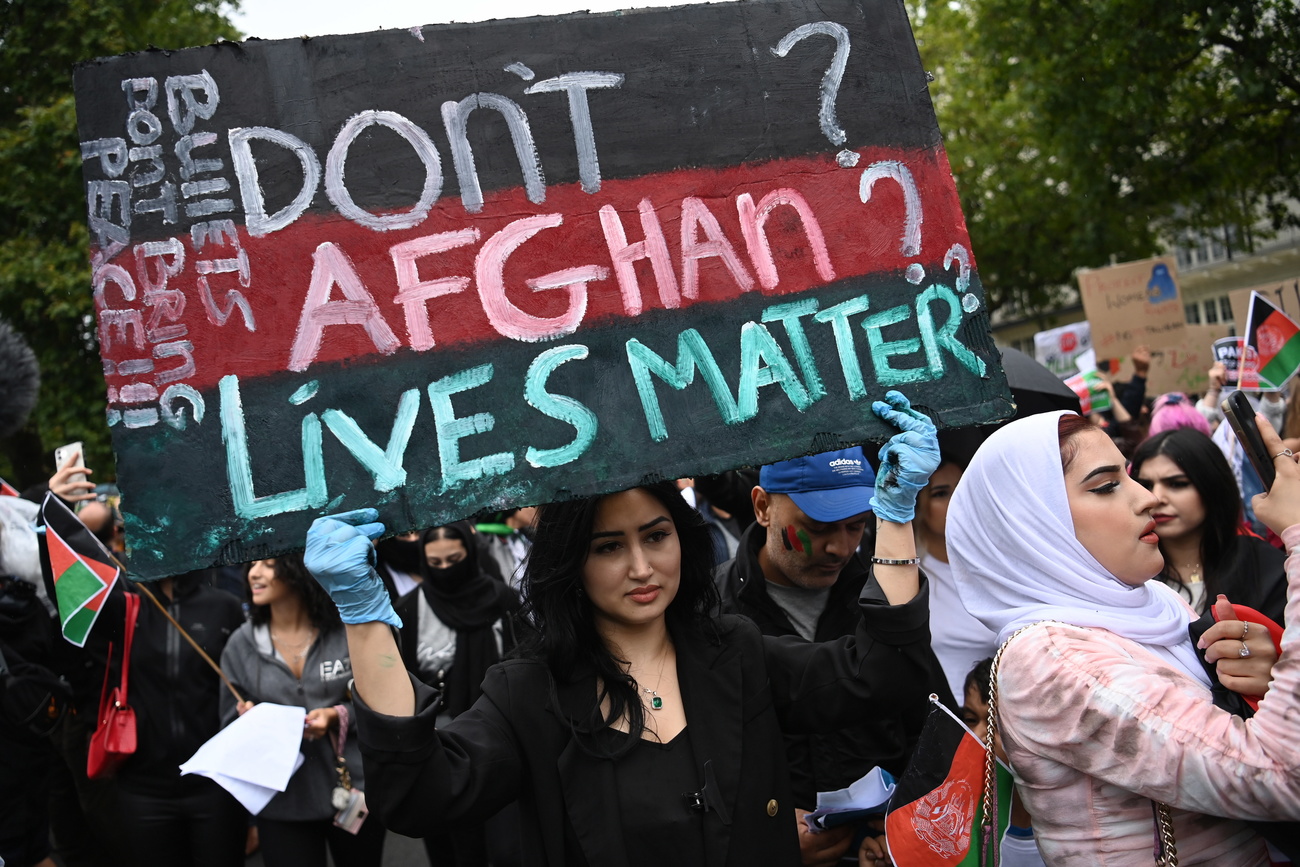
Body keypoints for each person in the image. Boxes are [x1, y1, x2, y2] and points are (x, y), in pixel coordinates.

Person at [304, 391, 942, 866]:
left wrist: (892, 517)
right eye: (609, 546)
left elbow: (880, 674)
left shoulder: (737, 652)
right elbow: (420, 794)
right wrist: (362, 615)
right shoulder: (528, 693)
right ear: (569, 564)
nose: (641, 567)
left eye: (656, 536)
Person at [946, 409, 1300, 864]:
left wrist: (1264, 678)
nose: (1147, 498)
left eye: (1127, 477)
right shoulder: (1053, 660)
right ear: (1032, 523)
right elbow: (1280, 777)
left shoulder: (1155, 604)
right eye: (1106, 486)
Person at [715, 446, 949, 866]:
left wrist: (906, 824)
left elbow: (935, 728)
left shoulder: (883, 602)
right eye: (818, 526)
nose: (840, 548)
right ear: (763, 506)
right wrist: (762, 830)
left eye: (856, 526)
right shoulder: (712, 612)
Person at [219, 554, 385, 867]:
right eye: (251, 565)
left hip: (355, 791)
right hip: (283, 803)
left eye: (268, 564)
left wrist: (338, 716)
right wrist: (249, 722)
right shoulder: (240, 645)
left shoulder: (344, 631)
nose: (254, 573)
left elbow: (383, 703)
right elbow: (227, 724)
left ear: (299, 571)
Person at [394, 522, 522, 867]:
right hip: (439, 746)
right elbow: (400, 683)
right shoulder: (408, 610)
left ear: (470, 553)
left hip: (503, 740)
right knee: (453, 848)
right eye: (435, 564)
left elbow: (526, 665)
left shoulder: (502, 601)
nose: (446, 570)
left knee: (509, 845)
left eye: (454, 559)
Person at [1131, 427, 1286, 623]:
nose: (1156, 498)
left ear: (1212, 486)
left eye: (1177, 484)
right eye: (1146, 485)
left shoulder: (1267, 568)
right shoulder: (1124, 571)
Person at [914, 457, 997, 702]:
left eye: (963, 488)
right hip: (936, 716)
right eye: (941, 493)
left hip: (993, 719)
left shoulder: (996, 565)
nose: (957, 500)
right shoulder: (909, 576)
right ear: (919, 504)